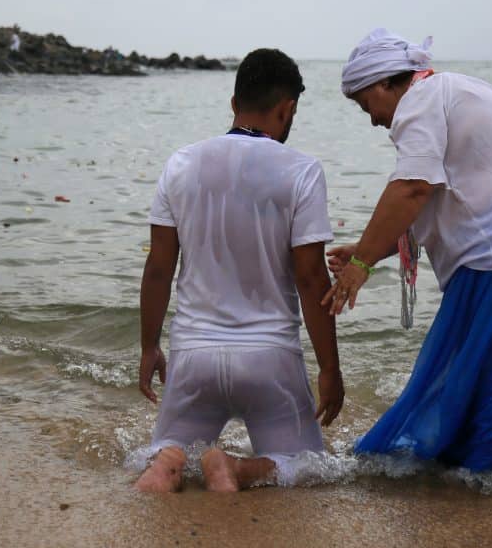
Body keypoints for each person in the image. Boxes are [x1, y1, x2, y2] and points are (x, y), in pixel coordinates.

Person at [322, 28, 492, 472]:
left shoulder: (419, 100)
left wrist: (361, 265)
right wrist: (370, 249)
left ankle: (479, 477)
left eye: (367, 104)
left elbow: (413, 188)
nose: (372, 119)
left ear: (389, 82)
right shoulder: (457, 88)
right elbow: (454, 193)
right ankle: (488, 472)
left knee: (467, 373)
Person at [135, 48, 344, 493]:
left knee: (168, 447)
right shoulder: (303, 171)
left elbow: (158, 267)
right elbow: (311, 278)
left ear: (234, 103)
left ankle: (165, 461)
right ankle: (239, 469)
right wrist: (330, 368)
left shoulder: (180, 164)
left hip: (193, 356)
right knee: (306, 466)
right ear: (287, 109)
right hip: (269, 360)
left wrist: (149, 345)